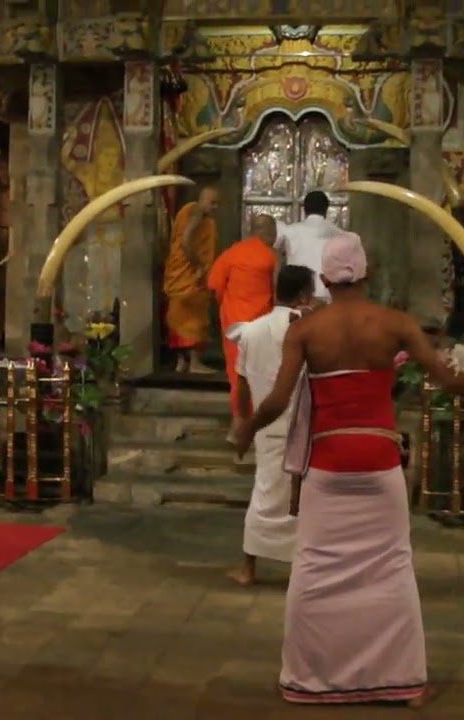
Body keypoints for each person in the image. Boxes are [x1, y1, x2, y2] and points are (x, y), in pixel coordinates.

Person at [230, 232, 464, 706]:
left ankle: (307, 677)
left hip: (328, 463)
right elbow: (456, 383)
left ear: (323, 280)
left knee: (315, 567)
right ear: (368, 275)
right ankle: (402, 680)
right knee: (391, 570)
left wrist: (246, 428)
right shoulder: (396, 323)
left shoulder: (306, 330)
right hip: (380, 464)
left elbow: (278, 399)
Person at [225, 265, 314, 588]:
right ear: (304, 295)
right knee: (295, 498)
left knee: (266, 493)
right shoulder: (306, 329)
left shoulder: (251, 331)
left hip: (265, 421)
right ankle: (295, 569)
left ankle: (249, 567)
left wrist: (243, 418)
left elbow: (243, 382)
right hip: (297, 421)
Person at [207, 214, 279, 420]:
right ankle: (258, 418)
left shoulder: (231, 254)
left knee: (236, 372)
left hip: (234, 323)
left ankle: (239, 419)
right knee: (261, 372)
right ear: (270, 232)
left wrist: (227, 306)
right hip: (262, 325)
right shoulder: (271, 256)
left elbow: (214, 286)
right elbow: (278, 291)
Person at [163, 186, 220, 373]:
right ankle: (195, 363)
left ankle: (182, 362)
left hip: (179, 275)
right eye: (212, 203)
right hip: (190, 274)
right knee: (195, 316)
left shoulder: (187, 211)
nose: (215, 207)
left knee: (177, 316)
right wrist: (200, 265)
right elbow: (187, 241)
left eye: (217, 204)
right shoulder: (196, 213)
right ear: (202, 200)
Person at [275, 191, 342, 304]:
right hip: (328, 296)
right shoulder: (341, 235)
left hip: (297, 297)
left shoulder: (289, 231)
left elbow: (271, 246)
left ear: (304, 209)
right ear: (326, 210)